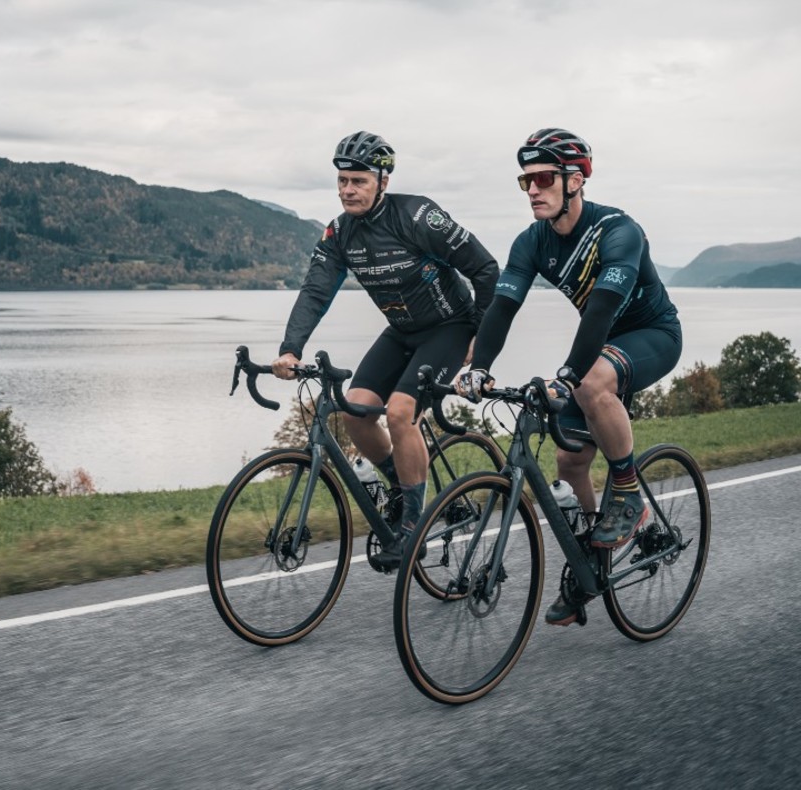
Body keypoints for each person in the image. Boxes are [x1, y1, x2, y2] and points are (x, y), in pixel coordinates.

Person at [456, 127, 682, 625]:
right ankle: (590, 565)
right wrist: (478, 368)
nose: (532, 189)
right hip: (601, 347)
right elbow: (501, 309)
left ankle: (628, 496)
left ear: (575, 180)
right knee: (569, 458)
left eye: (542, 178)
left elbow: (600, 311)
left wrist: (565, 376)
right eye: (526, 180)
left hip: (653, 335)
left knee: (589, 382)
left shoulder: (619, 230)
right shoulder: (532, 241)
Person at [272, 131, 498, 560]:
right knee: (354, 410)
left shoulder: (417, 216)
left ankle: (413, 522)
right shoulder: (339, 232)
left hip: (450, 327)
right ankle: (402, 485)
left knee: (399, 412)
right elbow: (316, 291)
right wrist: (290, 350)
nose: (347, 190)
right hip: (402, 330)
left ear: (383, 182)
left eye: (358, 180)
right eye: (342, 181)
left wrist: (479, 337)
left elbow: (486, 269)